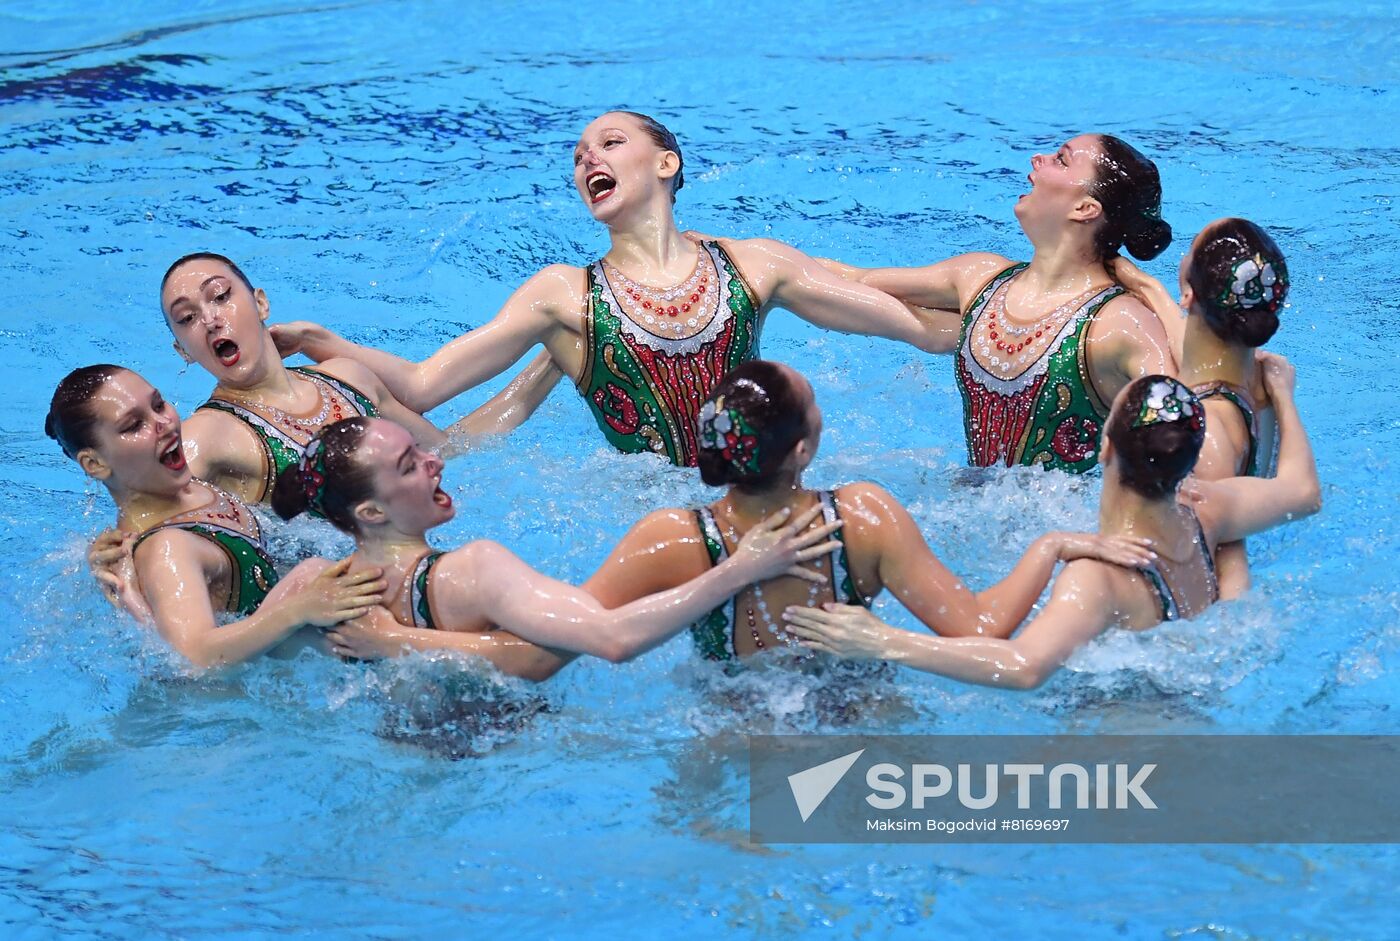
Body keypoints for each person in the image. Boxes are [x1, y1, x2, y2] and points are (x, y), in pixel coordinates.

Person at [270, 111, 954, 467]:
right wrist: (323, 342)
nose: (587, 158)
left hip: (759, 483)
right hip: (646, 511)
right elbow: (422, 384)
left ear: (666, 163)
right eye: (578, 156)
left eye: (609, 142)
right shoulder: (562, 296)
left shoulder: (752, 265)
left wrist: (1023, 304)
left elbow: (914, 328)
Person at [783, 361, 1321, 689]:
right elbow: (1302, 493)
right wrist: (1285, 396)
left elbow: (1022, 667)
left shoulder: (1097, 579)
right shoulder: (1210, 514)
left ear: (1105, 446)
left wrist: (883, 641)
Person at [576, 361, 1153, 666]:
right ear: (803, 450)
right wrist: (1050, 543)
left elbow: (572, 627)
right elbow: (981, 629)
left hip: (731, 733)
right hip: (859, 729)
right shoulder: (861, 519)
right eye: (815, 403)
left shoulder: (674, 538)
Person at [266, 415, 844, 675]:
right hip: (501, 765)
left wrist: (384, 639)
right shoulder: (472, 572)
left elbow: (204, 660)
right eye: (410, 465)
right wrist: (740, 568)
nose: (435, 459)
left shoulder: (314, 589)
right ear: (369, 512)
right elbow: (614, 641)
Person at [822, 134, 1176, 472]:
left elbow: (1190, 415)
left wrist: (1153, 291)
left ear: (1085, 208)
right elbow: (857, 279)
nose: (1038, 159)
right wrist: (771, 262)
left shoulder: (1119, 321)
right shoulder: (982, 277)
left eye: (1061, 160)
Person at [46, 365, 387, 669]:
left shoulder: (190, 488)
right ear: (95, 464)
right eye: (135, 425)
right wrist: (299, 609)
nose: (163, 424)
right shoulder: (166, 549)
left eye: (158, 404)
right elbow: (194, 657)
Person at [1110, 218, 1289, 597]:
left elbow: (1225, 563)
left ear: (1190, 295)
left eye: (1189, 248)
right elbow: (1191, 354)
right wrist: (1149, 287)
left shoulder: (1209, 434)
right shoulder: (1256, 379)